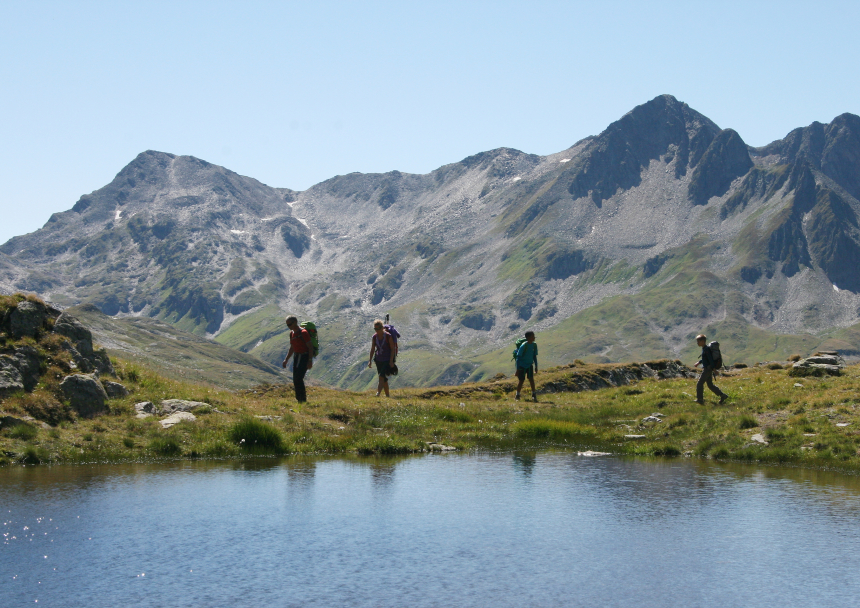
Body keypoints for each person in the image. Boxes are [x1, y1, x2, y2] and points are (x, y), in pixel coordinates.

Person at [282, 316, 313, 403]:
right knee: (296, 379)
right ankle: (299, 399)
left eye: (290, 324)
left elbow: (310, 347)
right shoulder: (292, 333)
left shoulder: (303, 332)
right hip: (297, 356)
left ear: (295, 322)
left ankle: (302, 399)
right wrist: (286, 359)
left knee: (298, 378)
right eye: (287, 325)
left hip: (304, 356)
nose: (288, 326)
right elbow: (292, 347)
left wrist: (310, 361)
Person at [693, 333, 727, 405]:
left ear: (702, 341)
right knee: (710, 385)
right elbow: (705, 359)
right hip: (708, 369)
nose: (697, 343)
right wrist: (699, 362)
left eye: (698, 341)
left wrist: (714, 369)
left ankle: (700, 399)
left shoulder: (706, 349)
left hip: (707, 369)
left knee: (699, 384)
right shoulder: (705, 349)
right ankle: (722, 395)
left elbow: (710, 360)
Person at [368, 319, 396, 397]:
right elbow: (373, 348)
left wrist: (391, 361)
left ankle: (378, 394)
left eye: (378, 329)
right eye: (375, 329)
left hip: (386, 360)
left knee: (381, 376)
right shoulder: (374, 337)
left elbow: (392, 349)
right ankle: (387, 395)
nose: (377, 331)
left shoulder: (388, 336)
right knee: (384, 379)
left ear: (382, 327)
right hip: (378, 360)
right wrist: (370, 360)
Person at [514, 331, 538, 401]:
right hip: (522, 366)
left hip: (529, 365)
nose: (534, 337)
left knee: (531, 379)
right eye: (532, 336)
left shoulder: (534, 345)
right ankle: (517, 395)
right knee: (521, 380)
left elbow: (534, 356)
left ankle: (534, 395)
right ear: (528, 338)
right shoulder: (524, 345)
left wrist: (536, 366)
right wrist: (518, 369)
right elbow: (518, 357)